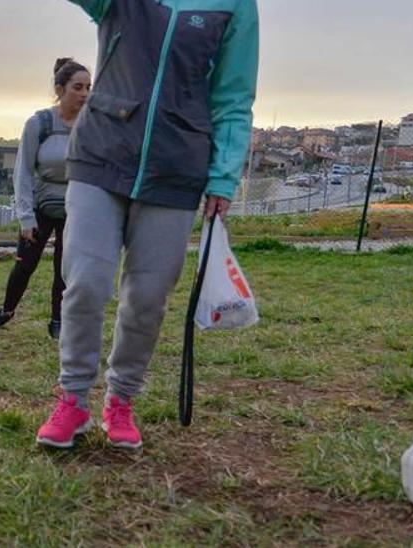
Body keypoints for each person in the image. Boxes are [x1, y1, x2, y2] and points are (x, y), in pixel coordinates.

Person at [37, 0, 259, 449]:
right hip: (100, 155)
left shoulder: (236, 6)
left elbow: (233, 98)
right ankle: (73, 399)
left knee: (147, 299)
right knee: (86, 283)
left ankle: (120, 400)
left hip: (177, 168)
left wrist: (222, 176)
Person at [0, 58, 91, 340]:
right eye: (77, 87)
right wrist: (25, 217)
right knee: (25, 264)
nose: (84, 93)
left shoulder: (92, 125)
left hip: (74, 207)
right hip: (40, 203)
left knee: (64, 269)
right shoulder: (39, 123)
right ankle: (6, 311)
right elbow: (22, 173)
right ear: (60, 89)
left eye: (88, 87)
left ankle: (58, 320)